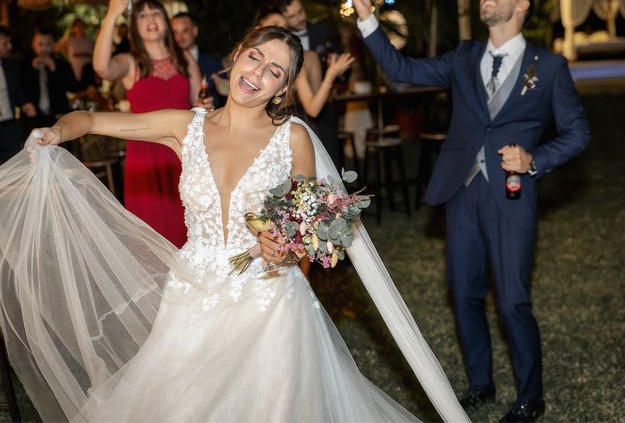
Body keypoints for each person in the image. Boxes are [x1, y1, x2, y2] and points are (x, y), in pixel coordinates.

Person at [0, 25, 469, 422]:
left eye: (274, 71)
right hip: (190, 296)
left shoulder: (295, 139)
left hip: (268, 302)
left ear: (283, 88)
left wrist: (287, 249)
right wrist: (56, 132)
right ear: (236, 57)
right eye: (254, 57)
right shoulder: (184, 126)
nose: (257, 74)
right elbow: (90, 118)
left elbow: (303, 232)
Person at [349, 0, 591, 423]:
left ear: (522, 6)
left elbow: (578, 132)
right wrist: (367, 18)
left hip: (512, 196)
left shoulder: (550, 67)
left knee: (514, 299)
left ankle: (530, 396)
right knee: (463, 294)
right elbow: (401, 71)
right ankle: (480, 382)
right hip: (462, 191)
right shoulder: (463, 56)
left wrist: (535, 158)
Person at [93, 0, 210, 248]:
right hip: (145, 155)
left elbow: (195, 104)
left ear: (165, 21)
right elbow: (102, 67)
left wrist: (204, 106)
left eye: (155, 12)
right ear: (134, 26)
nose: (150, 18)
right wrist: (112, 14)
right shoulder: (130, 62)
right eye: (142, 15)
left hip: (183, 153)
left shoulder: (184, 59)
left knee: (190, 227)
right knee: (152, 231)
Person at [257, 9, 353, 168]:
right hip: (276, 130)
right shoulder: (259, 61)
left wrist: (331, 75)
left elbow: (313, 109)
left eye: (284, 25)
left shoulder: (294, 62)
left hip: (293, 131)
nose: (282, 29)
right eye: (276, 25)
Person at [21, 29, 78, 129]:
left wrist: (54, 70)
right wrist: (33, 71)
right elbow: (21, 91)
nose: (44, 48)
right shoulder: (24, 65)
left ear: (53, 45)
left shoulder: (63, 65)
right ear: (33, 45)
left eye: (48, 44)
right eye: (40, 44)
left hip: (59, 119)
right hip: (33, 120)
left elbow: (73, 87)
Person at [171, 11, 228, 108]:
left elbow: (224, 97)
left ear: (195, 31)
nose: (179, 38)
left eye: (185, 31)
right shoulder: (167, 64)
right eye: (175, 32)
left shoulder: (213, 63)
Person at [269, 0, 342, 58]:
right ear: (281, 17)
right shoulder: (276, 41)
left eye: (300, 11)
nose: (300, 18)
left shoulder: (323, 31)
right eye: (292, 16)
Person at [0, 25, 29, 163]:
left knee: (15, 165)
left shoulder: (11, 66)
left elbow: (16, 90)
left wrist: (25, 104)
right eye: (5, 43)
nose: (10, 47)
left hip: (8, 125)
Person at [54, 17, 94, 83]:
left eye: (81, 25)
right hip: (74, 68)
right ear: (73, 28)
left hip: (87, 70)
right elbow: (56, 48)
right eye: (77, 25)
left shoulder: (88, 41)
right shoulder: (70, 40)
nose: (79, 28)